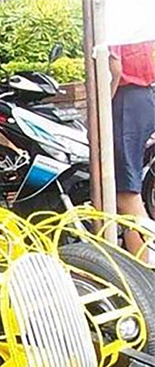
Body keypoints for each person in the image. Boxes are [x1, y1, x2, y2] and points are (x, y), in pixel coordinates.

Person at [109, 41, 155, 258]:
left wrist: (101, 103)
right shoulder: (137, 19)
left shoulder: (112, 14)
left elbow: (114, 68)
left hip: (125, 101)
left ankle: (143, 269)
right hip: (145, 97)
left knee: (126, 194)